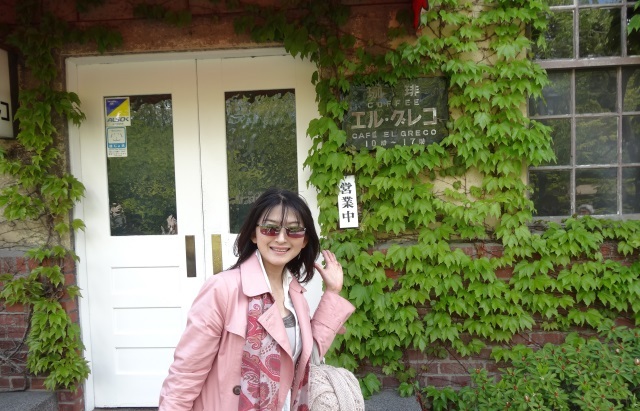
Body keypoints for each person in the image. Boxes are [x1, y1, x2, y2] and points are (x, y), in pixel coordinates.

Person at [159, 188, 355, 411]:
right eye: (270, 228)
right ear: (254, 234)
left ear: (304, 240)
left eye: (293, 230)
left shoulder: (295, 295)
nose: (281, 238)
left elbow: (307, 357)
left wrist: (332, 292)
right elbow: (186, 375)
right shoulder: (223, 289)